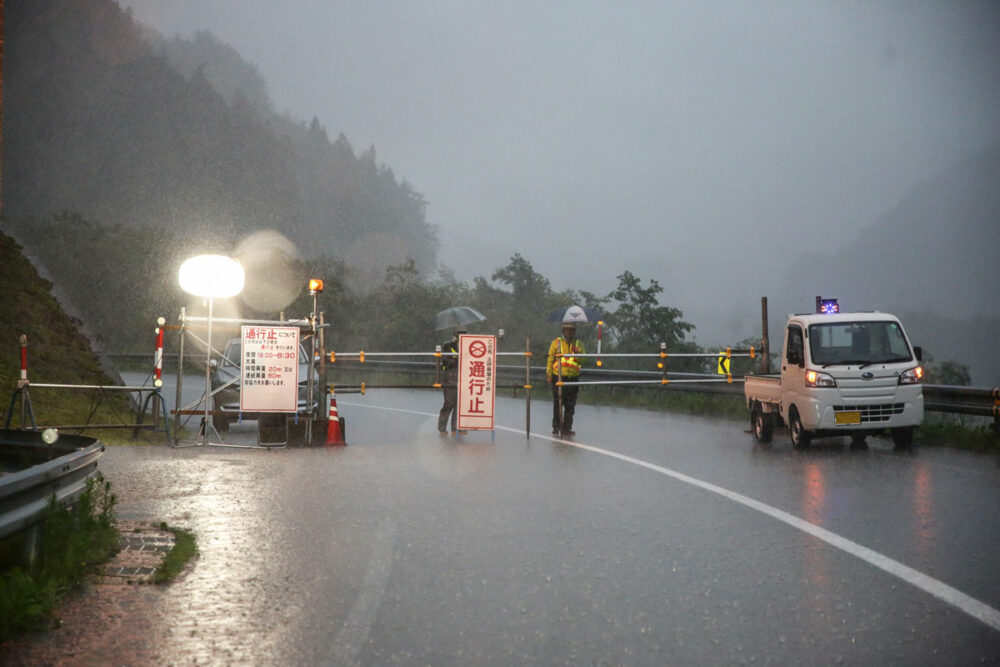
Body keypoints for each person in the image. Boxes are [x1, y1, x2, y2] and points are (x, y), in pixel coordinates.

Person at [547, 322, 585, 436]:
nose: (570, 332)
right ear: (563, 330)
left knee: (570, 405)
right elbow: (550, 359)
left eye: (572, 330)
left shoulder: (579, 344)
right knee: (558, 403)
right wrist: (548, 374)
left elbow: (584, 360)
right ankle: (556, 427)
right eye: (567, 330)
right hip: (558, 376)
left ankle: (567, 428)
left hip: (573, 377)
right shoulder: (556, 343)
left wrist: (578, 354)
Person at [438, 328, 467, 434]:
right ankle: (442, 427)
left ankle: (457, 428)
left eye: (463, 334)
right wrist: (457, 359)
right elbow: (446, 361)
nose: (460, 336)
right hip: (450, 378)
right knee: (449, 403)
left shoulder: (467, 347)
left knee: (460, 404)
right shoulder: (448, 346)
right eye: (459, 334)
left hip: (464, 378)